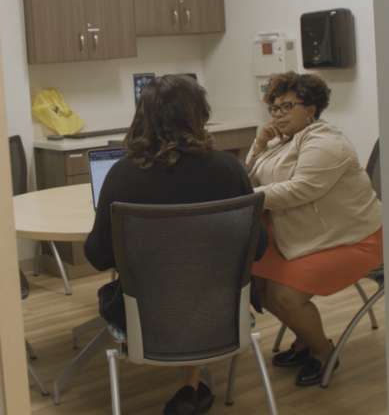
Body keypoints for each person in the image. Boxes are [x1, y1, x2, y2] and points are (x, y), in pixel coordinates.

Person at [84, 74, 265, 415]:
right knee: (194, 282)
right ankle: (190, 386)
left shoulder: (123, 174)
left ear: (142, 118)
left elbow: (97, 256)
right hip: (223, 316)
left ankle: (190, 387)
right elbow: (256, 248)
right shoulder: (229, 169)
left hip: (145, 321)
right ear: (200, 116)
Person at [247, 71, 382, 387]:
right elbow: (250, 177)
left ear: (311, 108)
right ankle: (304, 340)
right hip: (309, 237)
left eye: (287, 106)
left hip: (353, 239)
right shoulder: (283, 142)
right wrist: (259, 142)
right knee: (261, 286)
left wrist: (246, 198)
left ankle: (323, 352)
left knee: (284, 296)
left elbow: (301, 189)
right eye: (275, 108)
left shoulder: (326, 141)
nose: (279, 114)